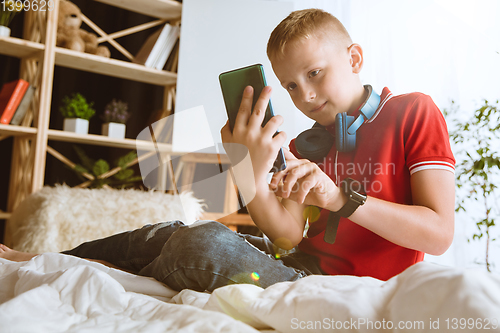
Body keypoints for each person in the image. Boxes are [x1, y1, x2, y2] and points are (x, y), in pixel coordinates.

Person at [0, 8, 455, 291]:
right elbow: (288, 237)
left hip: (339, 285)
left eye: (315, 73)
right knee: (175, 229)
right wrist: (249, 170)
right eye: (292, 86)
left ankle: (107, 273)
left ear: (353, 59)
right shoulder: (302, 145)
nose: (306, 96)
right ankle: (47, 262)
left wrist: (340, 199)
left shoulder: (412, 112)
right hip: (294, 264)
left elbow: (438, 234)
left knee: (202, 243)